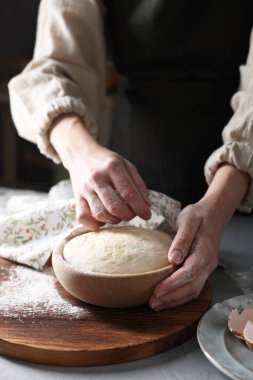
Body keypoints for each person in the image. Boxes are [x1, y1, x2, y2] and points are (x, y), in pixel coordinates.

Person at [8, 0, 253, 311]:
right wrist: (82, 153)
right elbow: (51, 67)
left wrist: (218, 209)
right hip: (136, 167)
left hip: (243, 183)